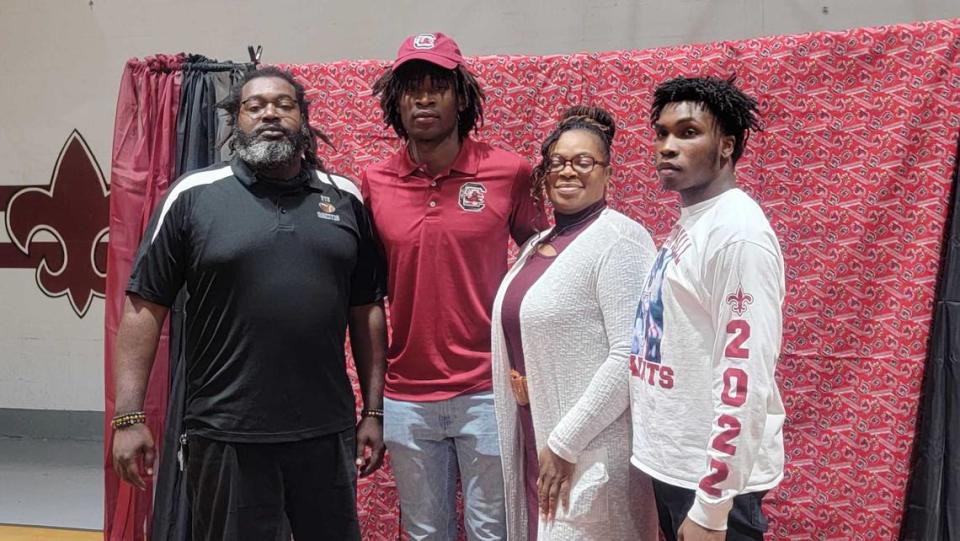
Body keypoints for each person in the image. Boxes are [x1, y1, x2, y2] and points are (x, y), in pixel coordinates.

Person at [110, 66, 387, 541]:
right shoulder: (192, 196)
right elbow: (144, 308)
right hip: (225, 433)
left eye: (284, 104)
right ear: (235, 121)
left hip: (325, 431)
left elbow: (367, 310)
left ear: (304, 117)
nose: (270, 114)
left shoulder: (344, 198)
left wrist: (374, 411)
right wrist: (129, 417)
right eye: (254, 106)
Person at [362, 32, 546, 540]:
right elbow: (368, 300)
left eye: (437, 86)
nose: (424, 98)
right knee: (425, 534)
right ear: (395, 101)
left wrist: (537, 370)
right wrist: (373, 405)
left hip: (488, 390)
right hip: (406, 397)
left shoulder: (509, 171)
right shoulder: (374, 181)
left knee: (494, 531)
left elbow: (546, 270)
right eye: (411, 88)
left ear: (461, 96)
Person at [491, 106, 660, 540]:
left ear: (607, 172)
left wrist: (566, 442)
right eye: (558, 162)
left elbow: (630, 355)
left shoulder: (621, 240)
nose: (569, 171)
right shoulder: (538, 244)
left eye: (584, 161)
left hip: (585, 449)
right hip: (537, 440)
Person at [629, 76, 786, 541]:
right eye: (661, 133)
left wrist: (713, 507)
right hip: (677, 466)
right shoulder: (696, 221)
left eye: (688, 132)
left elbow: (744, 377)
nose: (667, 147)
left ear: (726, 146)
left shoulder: (738, 236)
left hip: (710, 485)